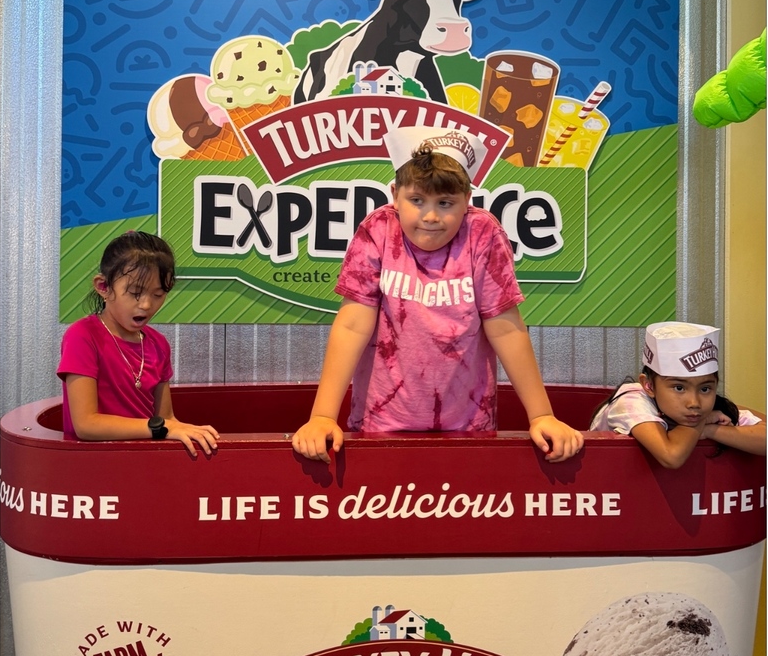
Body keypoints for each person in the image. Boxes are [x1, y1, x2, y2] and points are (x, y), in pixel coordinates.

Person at [292, 126, 583, 464]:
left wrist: (542, 415)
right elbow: (352, 324)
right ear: (395, 195)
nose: (430, 216)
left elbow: (505, 326)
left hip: (469, 426)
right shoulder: (378, 230)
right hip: (381, 423)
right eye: (417, 200)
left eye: (445, 203)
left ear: (467, 201)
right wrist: (323, 416)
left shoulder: (483, 234)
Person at [57, 231, 219, 458]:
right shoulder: (82, 336)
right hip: (92, 465)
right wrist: (160, 427)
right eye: (135, 292)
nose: (146, 305)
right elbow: (86, 424)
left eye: (158, 294)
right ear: (103, 286)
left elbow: (166, 419)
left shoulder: (158, 344)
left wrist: (191, 432)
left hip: (144, 464)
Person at [590, 321, 765, 468]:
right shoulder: (631, 400)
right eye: (679, 388)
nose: (694, 402)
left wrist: (710, 430)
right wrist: (700, 423)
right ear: (648, 385)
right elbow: (671, 456)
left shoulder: (708, 411)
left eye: (705, 389)